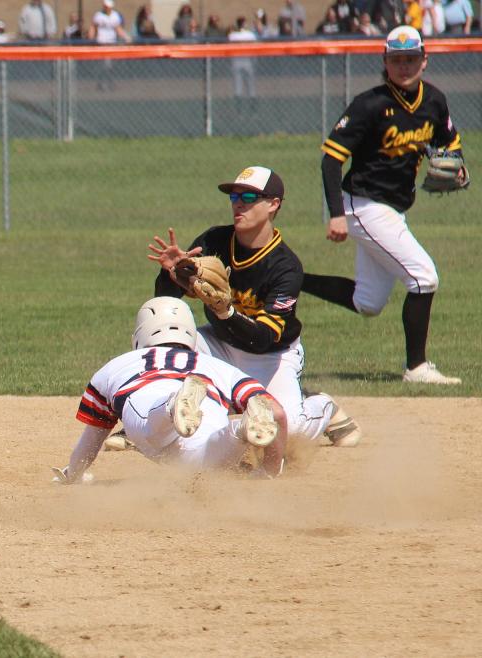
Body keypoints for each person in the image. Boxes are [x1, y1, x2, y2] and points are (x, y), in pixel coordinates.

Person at [148, 166, 359, 447]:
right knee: (162, 330)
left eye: (248, 196)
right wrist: (171, 274)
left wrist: (225, 311)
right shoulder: (214, 241)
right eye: (234, 197)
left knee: (286, 430)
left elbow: (262, 339)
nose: (238, 203)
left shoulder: (286, 267)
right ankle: (152, 418)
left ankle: (321, 407)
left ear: (274, 204)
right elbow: (167, 299)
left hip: (272, 357)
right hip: (218, 345)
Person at [309, 26, 465, 385]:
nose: (405, 66)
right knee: (424, 277)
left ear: (425, 60)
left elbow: (448, 144)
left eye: (411, 59)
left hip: (393, 208)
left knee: (368, 303)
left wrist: (457, 165)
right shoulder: (370, 105)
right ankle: (417, 368)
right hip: (363, 205)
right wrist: (336, 214)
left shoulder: (434, 101)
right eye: (397, 60)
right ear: (385, 62)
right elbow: (331, 159)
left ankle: (291, 279)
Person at [52, 297, 288, 484]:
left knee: (152, 427)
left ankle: (171, 406)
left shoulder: (117, 365)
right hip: (206, 406)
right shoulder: (218, 366)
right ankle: (240, 428)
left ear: (139, 336)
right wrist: (269, 471)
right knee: (209, 459)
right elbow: (276, 413)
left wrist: (73, 474)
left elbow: (91, 442)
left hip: (147, 398)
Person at [227, 17, 257, 102]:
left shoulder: (233, 35)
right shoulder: (250, 35)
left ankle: (239, 97)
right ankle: (251, 97)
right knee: (249, 80)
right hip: (246, 59)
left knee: (238, 80)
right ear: (244, 24)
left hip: (237, 60)